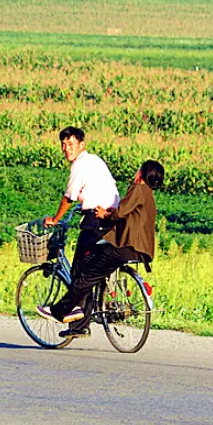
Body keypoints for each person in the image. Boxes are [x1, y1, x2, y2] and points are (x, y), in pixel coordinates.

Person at [39, 160, 165, 338]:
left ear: (142, 173)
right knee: (91, 266)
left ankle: (59, 311)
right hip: (138, 249)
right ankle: (83, 316)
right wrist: (115, 211)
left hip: (124, 246)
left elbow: (121, 213)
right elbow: (129, 213)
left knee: (86, 276)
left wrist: (105, 214)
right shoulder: (148, 194)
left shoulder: (139, 188)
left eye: (139, 169)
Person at [43, 127, 120, 327]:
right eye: (63, 145)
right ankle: (89, 314)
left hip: (95, 219)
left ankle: (79, 324)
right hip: (112, 217)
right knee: (94, 268)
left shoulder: (79, 165)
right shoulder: (96, 160)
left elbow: (69, 196)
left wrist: (56, 218)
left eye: (71, 144)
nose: (66, 149)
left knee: (79, 270)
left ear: (81, 145)